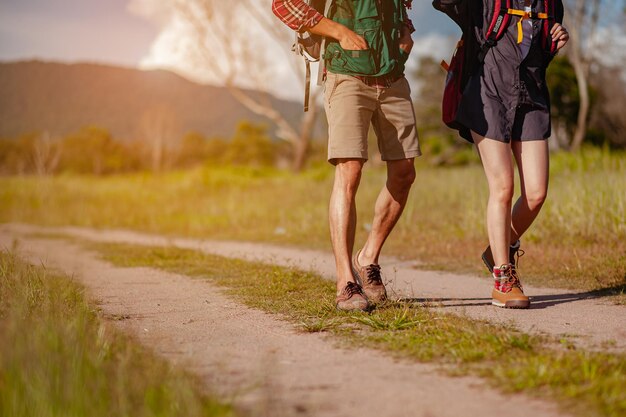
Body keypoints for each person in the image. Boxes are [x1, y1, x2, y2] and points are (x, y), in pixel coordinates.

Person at [272, 0, 421, 311]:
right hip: (347, 75)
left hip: (393, 77)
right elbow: (284, 5)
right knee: (350, 170)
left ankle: (368, 258)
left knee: (405, 171)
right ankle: (346, 283)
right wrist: (338, 32)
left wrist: (406, 29)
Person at [435, 0, 569, 308]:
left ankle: (498, 246)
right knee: (503, 186)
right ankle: (503, 277)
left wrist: (555, 41)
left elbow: (539, 51)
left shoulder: (549, 3)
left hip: (531, 94)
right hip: (488, 94)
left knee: (536, 193)